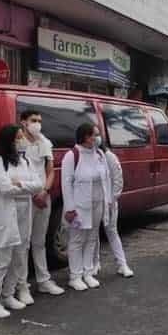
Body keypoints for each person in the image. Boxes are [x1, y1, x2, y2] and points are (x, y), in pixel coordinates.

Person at [0, 125, 44, 318]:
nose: (21, 141)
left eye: (22, 138)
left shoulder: (23, 160)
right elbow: (4, 188)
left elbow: (39, 184)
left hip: (23, 213)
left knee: (18, 256)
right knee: (2, 259)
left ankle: (8, 295)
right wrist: (25, 187)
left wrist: (21, 184)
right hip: (4, 213)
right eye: (18, 138)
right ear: (8, 140)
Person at [17, 110, 65, 297]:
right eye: (33, 120)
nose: (37, 124)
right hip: (24, 199)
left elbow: (50, 171)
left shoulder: (44, 142)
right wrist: (31, 194)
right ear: (23, 122)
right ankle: (21, 286)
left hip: (42, 198)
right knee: (23, 243)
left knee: (40, 241)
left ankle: (44, 280)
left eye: (39, 121)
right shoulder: (18, 142)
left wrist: (44, 192)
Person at [61, 123, 112, 291]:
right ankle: (75, 276)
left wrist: (108, 201)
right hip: (79, 206)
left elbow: (107, 179)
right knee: (77, 240)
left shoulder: (99, 154)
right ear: (84, 136)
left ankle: (88, 272)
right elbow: (66, 184)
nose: (97, 138)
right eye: (94, 135)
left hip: (98, 203)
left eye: (98, 135)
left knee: (92, 237)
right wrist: (69, 208)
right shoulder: (72, 155)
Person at [92, 142, 134, 278]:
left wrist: (112, 200)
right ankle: (95, 263)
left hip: (109, 202)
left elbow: (118, 180)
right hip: (96, 201)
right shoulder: (91, 156)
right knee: (93, 233)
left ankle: (122, 264)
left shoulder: (109, 157)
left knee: (112, 231)